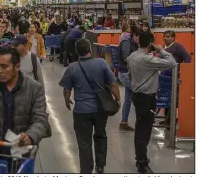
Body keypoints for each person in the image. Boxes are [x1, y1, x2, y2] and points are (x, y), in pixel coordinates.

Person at [59, 39, 121, 174]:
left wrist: (67, 100)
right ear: (90, 50)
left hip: (81, 111)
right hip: (100, 109)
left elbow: (66, 89)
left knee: (84, 143)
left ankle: (86, 170)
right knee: (100, 135)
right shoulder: (102, 63)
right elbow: (113, 84)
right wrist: (118, 99)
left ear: (77, 52)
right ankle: (100, 166)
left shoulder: (72, 67)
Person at [127, 31, 177, 174]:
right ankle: (141, 163)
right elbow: (172, 63)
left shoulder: (132, 56)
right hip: (146, 98)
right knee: (144, 131)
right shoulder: (147, 60)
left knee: (140, 128)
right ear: (151, 44)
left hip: (137, 96)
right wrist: (161, 50)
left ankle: (141, 158)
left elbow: (130, 75)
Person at [117, 26, 140, 131]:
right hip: (125, 74)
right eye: (139, 38)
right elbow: (126, 58)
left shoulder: (134, 43)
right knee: (139, 94)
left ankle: (124, 122)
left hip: (130, 73)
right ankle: (141, 121)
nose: (140, 40)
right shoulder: (126, 43)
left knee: (128, 99)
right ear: (134, 35)